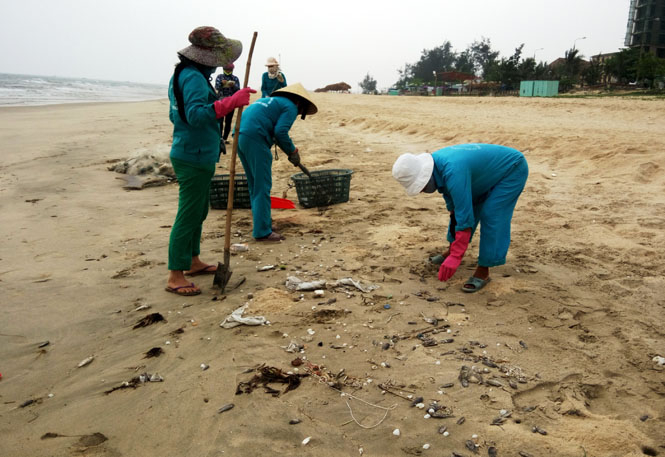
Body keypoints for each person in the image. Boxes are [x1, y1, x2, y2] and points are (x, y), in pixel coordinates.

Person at [166, 26, 256, 296]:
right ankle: (175, 274)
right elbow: (194, 115)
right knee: (188, 214)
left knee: (199, 211)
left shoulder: (184, 74)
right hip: (192, 155)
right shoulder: (192, 78)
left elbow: (179, 116)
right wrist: (231, 102)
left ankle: (192, 261)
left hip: (196, 152)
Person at [392, 144, 528, 293]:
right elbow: (453, 202)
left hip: (511, 169)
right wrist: (454, 245)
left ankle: (484, 270)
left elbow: (464, 218)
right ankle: (450, 250)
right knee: (461, 209)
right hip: (484, 174)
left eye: (421, 187)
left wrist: (457, 256)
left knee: (492, 214)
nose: (422, 191)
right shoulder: (438, 166)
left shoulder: (453, 171)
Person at [237, 83, 317, 241]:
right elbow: (280, 132)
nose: (299, 113)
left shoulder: (271, 101)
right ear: (300, 103)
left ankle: (263, 223)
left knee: (254, 186)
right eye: (302, 111)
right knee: (262, 187)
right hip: (256, 139)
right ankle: (262, 231)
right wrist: (293, 151)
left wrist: (289, 149)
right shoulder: (291, 107)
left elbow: (274, 131)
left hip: (240, 137)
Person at [214, 62, 241, 144]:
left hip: (231, 102)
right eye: (227, 69)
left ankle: (225, 138)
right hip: (220, 102)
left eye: (230, 70)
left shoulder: (235, 78)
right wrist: (222, 83)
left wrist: (233, 85)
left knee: (228, 121)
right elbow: (216, 87)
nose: (228, 71)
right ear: (223, 69)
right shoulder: (219, 77)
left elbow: (238, 90)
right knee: (220, 121)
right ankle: (219, 137)